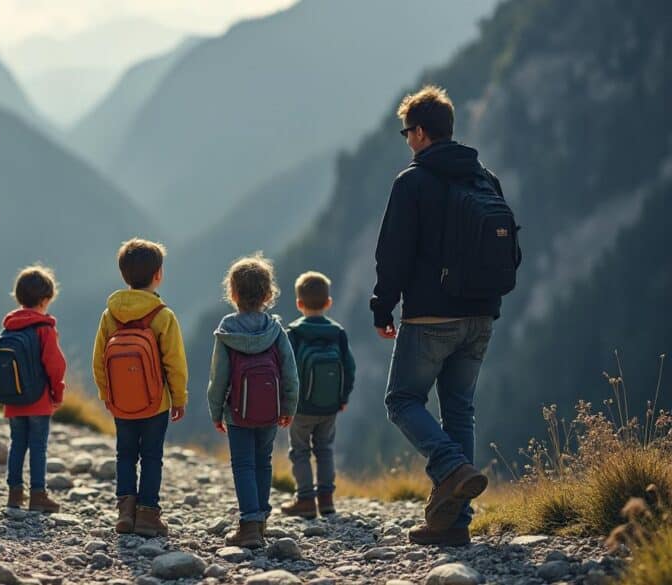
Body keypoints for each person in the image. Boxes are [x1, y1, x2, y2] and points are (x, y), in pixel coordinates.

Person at [372, 85, 519, 546]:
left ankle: (452, 468)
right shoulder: (484, 178)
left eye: (406, 132)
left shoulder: (412, 182)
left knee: (401, 401)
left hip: (431, 316)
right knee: (460, 408)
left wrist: (383, 305)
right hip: (482, 312)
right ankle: (454, 525)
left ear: (418, 132)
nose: (406, 140)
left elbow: (393, 254)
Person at [92, 238, 188, 537]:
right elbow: (174, 362)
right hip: (155, 402)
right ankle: (148, 514)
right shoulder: (162, 316)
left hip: (121, 401)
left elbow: (99, 359)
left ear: (124, 275)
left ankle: (125, 511)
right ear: (158, 274)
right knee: (151, 457)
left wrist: (107, 394)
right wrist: (178, 397)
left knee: (124, 454)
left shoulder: (110, 314)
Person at [206, 254, 299, 548]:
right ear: (268, 294)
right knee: (263, 462)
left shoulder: (227, 329)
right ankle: (260, 522)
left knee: (243, 464)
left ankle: (248, 524)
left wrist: (216, 410)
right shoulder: (276, 330)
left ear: (232, 294)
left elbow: (218, 376)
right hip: (270, 411)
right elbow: (290, 373)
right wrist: (289, 407)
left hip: (237, 413)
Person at [280, 271, 355, 518]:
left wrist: (286, 402)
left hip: (301, 407)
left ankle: (305, 500)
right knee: (325, 449)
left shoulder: (294, 332)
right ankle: (326, 500)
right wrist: (342, 398)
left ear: (299, 303)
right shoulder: (338, 332)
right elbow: (349, 367)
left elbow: (286, 370)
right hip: (330, 407)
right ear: (328, 303)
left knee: (299, 451)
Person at [0, 266, 67, 513]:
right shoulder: (44, 329)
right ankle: (38, 494)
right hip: (39, 401)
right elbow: (55, 365)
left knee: (17, 444)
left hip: (14, 400)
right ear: (45, 299)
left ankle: (14, 493)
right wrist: (57, 394)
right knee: (38, 446)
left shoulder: (9, 328)